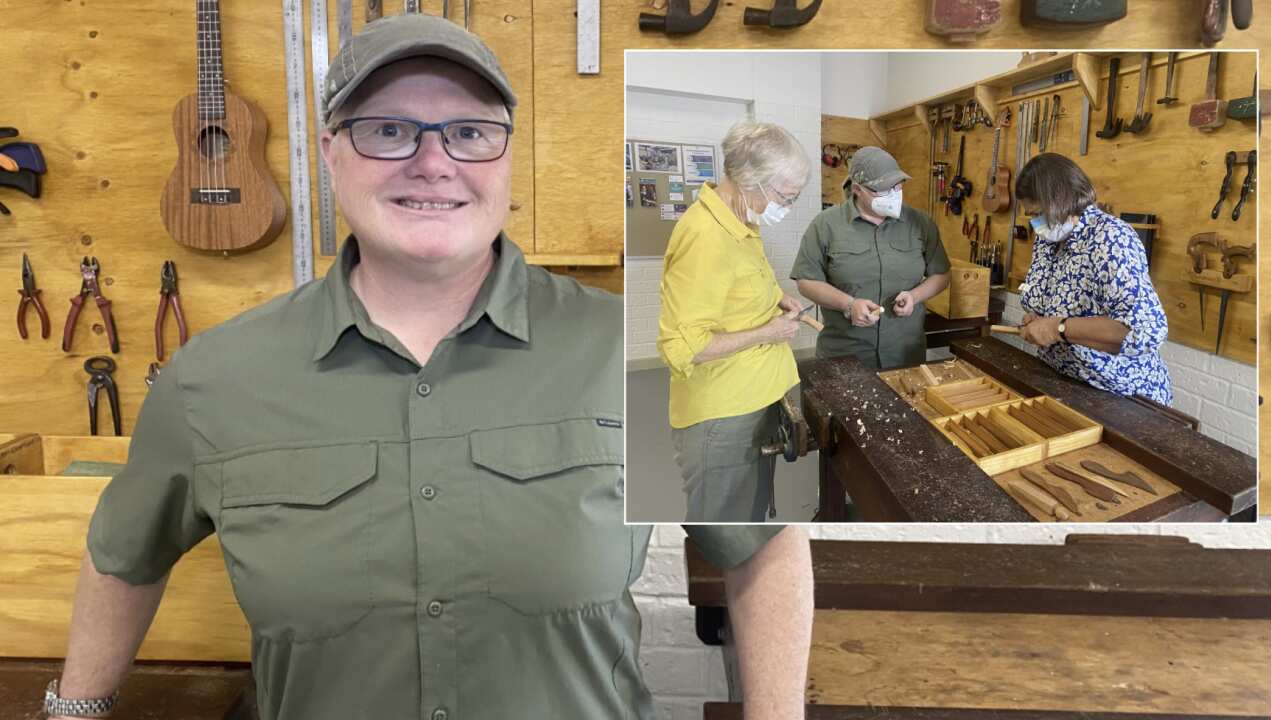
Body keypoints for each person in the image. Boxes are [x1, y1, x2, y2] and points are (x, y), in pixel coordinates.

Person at [45, 15, 813, 720]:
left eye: (471, 134)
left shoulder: (607, 347)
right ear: (330, 151)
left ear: (507, 155)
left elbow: (766, 547)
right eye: (388, 130)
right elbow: (123, 556)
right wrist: (73, 711)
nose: (434, 163)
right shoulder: (214, 378)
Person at [656, 121, 811, 523]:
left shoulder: (741, 220)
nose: (786, 207)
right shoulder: (705, 237)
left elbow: (744, 279)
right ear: (750, 180)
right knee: (722, 527)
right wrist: (769, 332)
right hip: (722, 415)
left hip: (754, 396)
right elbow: (684, 348)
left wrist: (778, 298)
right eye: (785, 197)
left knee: (749, 518)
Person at [1013, 152, 1172, 405]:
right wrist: (1038, 319)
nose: (1036, 223)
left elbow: (1146, 332)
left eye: (1039, 213)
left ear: (1060, 200)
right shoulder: (1046, 240)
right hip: (1066, 381)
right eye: (1031, 216)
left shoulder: (1111, 238)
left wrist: (1059, 327)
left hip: (1117, 393)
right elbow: (1051, 304)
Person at [791, 146, 950, 368]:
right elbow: (806, 281)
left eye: (897, 186)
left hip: (904, 353)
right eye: (882, 190)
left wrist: (915, 296)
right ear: (857, 189)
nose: (893, 194)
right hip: (845, 355)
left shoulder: (920, 224)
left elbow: (941, 276)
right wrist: (848, 304)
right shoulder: (826, 225)